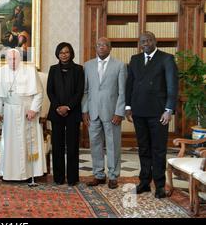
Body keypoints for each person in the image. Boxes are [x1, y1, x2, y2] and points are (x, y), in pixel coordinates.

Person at [125, 31, 178, 199]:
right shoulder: (135, 59)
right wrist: (127, 106)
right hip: (139, 111)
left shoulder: (166, 58)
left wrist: (169, 110)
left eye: (148, 40)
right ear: (139, 44)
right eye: (142, 41)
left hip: (159, 113)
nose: (145, 43)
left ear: (155, 41)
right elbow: (129, 85)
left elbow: (172, 86)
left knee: (159, 149)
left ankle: (160, 185)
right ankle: (144, 182)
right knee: (143, 148)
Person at [0, 49, 46, 181]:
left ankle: (30, 173)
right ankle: (10, 173)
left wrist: (33, 109)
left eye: (15, 59)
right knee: (11, 144)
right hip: (9, 111)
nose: (12, 62)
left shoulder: (30, 71)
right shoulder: (0, 72)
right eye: (10, 59)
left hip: (27, 111)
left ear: (20, 58)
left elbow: (39, 93)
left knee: (28, 143)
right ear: (6, 59)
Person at [82, 37, 127, 189]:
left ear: (110, 48)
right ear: (96, 47)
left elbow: (122, 92)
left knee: (113, 144)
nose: (102, 47)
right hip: (93, 112)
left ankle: (113, 176)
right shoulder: (88, 65)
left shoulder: (120, 65)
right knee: (95, 144)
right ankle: (99, 175)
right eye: (99, 45)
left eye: (105, 45)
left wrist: (119, 112)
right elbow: (86, 91)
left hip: (112, 112)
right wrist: (85, 110)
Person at [47, 42, 84, 186]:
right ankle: (59, 178)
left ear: (71, 53)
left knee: (73, 145)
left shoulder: (79, 69)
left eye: (66, 52)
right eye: (61, 52)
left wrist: (68, 107)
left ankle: (73, 178)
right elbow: (50, 91)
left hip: (73, 113)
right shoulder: (53, 69)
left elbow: (79, 92)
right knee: (57, 146)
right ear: (57, 54)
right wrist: (58, 107)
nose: (64, 55)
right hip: (56, 113)